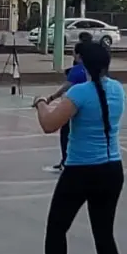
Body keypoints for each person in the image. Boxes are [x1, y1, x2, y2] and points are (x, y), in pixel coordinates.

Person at [27, 40, 127, 254]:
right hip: (112, 169)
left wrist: (41, 103)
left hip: (81, 170)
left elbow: (49, 124)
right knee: (104, 234)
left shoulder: (80, 92)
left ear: (82, 62)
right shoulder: (117, 89)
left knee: (57, 228)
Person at [46, 31, 93, 172]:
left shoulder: (77, 71)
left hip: (74, 105)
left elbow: (67, 86)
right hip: (88, 107)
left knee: (66, 133)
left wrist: (50, 98)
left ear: (79, 55)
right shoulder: (94, 68)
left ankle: (66, 161)